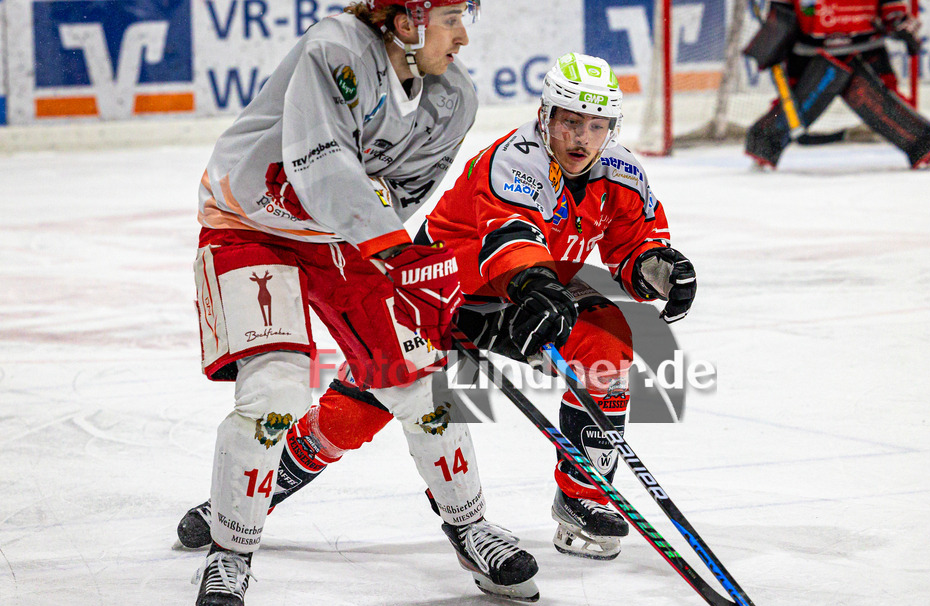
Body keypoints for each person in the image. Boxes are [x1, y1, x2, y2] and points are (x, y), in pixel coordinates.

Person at [179, 52, 697, 566]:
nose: (582, 137)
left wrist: (656, 267)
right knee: (359, 411)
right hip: (443, 294)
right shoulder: (516, 159)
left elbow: (634, 240)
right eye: (570, 121)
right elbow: (510, 238)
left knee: (609, 344)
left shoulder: (623, 173)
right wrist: (538, 284)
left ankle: (582, 499)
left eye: (596, 125)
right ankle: (245, 503)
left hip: (530, 294)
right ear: (546, 117)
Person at [185, 0, 541, 606]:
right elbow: (319, 164)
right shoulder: (337, 49)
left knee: (420, 380)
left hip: (341, 235)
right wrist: (393, 251)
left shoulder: (454, 97)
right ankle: (230, 551)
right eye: (450, 20)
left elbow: (401, 194)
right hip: (247, 223)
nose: (462, 37)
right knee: (275, 391)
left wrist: (422, 277)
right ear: (406, 21)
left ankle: (470, 525)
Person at [743, 0, 930, 169]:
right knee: (786, 109)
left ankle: (921, 144)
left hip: (864, 50)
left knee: (891, 103)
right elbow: (781, 13)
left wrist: (900, 25)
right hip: (810, 54)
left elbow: (893, 10)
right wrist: (772, 38)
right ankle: (763, 145)